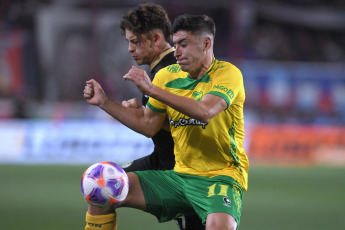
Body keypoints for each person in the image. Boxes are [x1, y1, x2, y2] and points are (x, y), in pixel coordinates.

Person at [83, 14, 249, 230]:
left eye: (183, 44)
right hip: (179, 177)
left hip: (221, 178)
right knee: (100, 187)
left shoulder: (228, 74)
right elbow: (148, 124)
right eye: (175, 44)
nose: (176, 52)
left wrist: (152, 90)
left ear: (206, 43)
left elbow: (205, 111)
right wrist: (104, 102)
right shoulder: (167, 76)